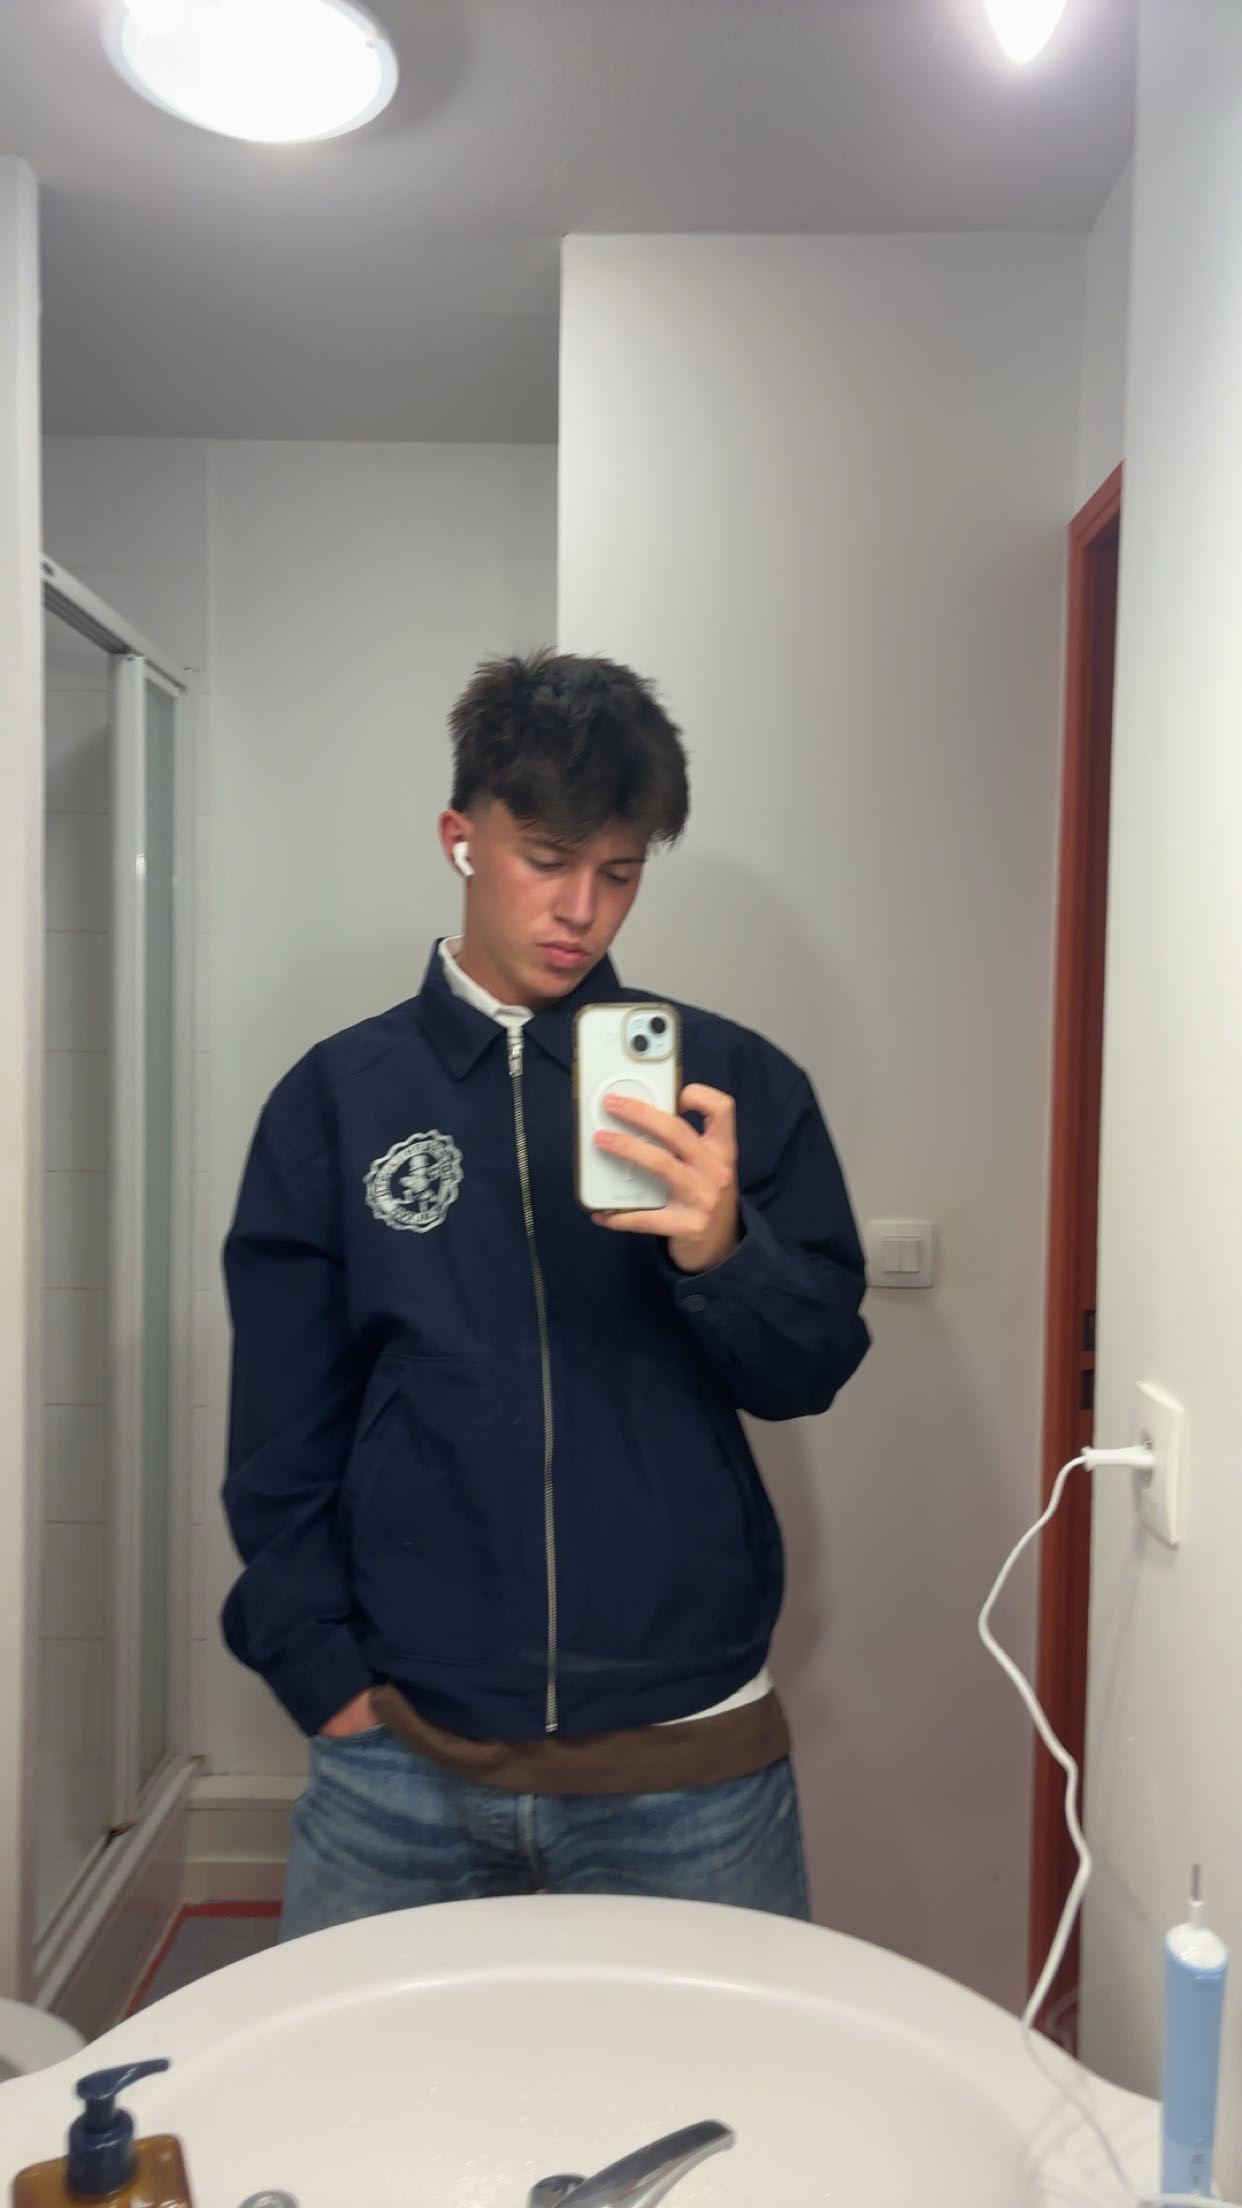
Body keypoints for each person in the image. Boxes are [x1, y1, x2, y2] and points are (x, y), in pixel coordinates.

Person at [221, 649, 870, 1940]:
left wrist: (722, 1250)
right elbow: (281, 1424)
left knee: (720, 2069)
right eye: (546, 859)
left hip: (688, 1756)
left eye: (618, 873)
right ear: (461, 839)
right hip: (403, 1757)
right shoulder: (339, 1099)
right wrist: (324, 1679)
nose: (581, 909)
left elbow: (808, 1372)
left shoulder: (727, 1082)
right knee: (372, 2073)